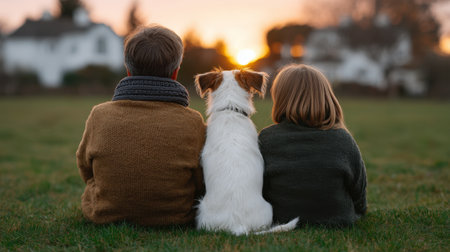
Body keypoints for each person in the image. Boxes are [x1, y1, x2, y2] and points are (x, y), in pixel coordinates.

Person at [76, 25, 206, 226]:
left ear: (128, 70)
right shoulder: (194, 121)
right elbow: (200, 180)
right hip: (176, 216)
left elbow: (86, 168)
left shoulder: (99, 114)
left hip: (104, 214)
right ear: (175, 72)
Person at [259, 64, 367, 227]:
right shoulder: (342, 139)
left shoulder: (266, 138)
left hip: (283, 220)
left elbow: (260, 188)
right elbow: (358, 189)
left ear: (280, 99)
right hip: (338, 221)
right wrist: (360, 210)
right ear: (326, 96)